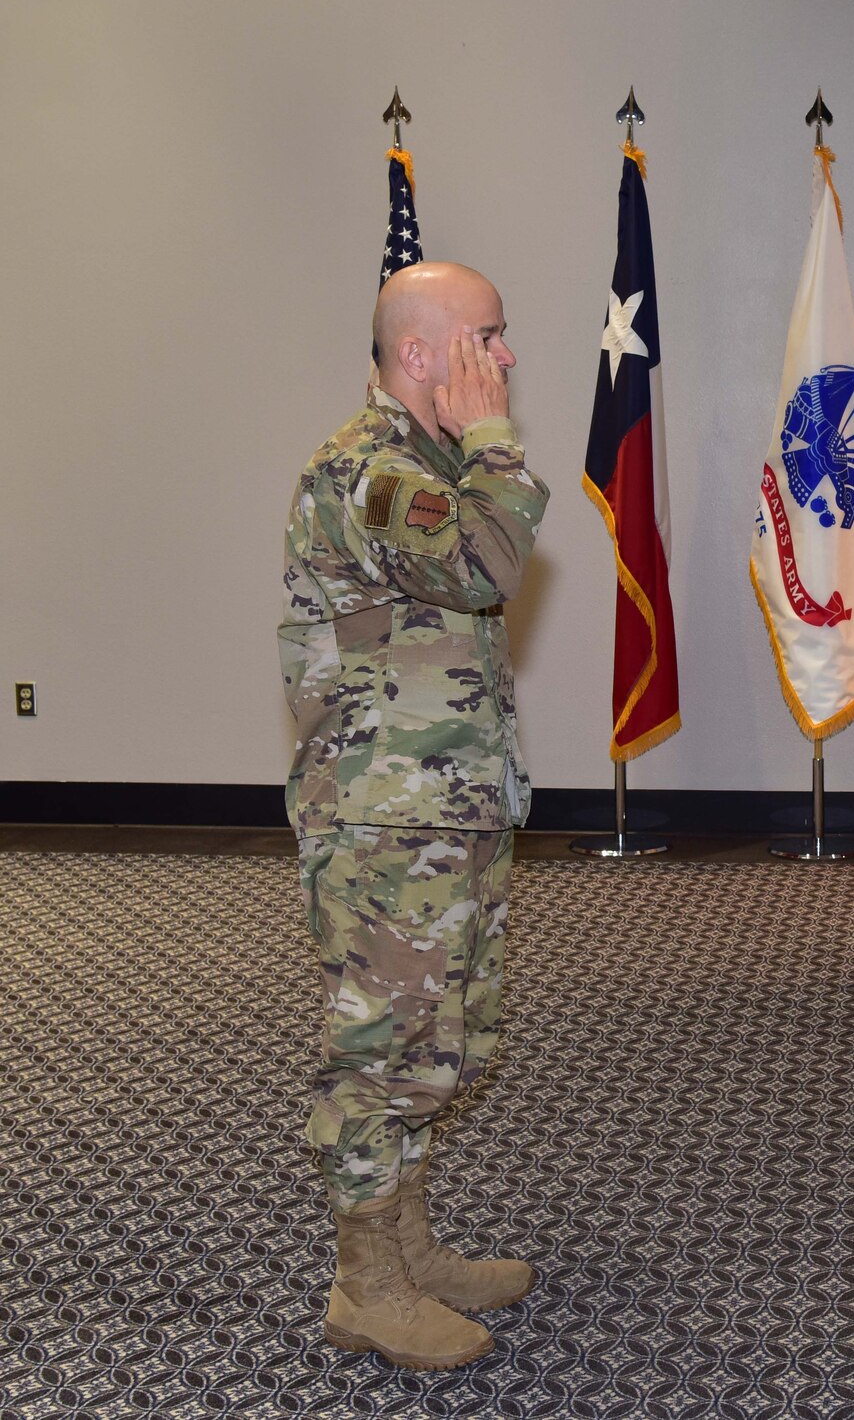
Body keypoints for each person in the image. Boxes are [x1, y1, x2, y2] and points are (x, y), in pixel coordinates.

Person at [279, 262, 549, 1370]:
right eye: (488, 336)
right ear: (425, 353)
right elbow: (486, 563)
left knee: (448, 1043)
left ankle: (410, 1243)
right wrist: (497, 444)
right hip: (385, 823)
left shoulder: (429, 465)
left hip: (445, 810)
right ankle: (365, 1287)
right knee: (383, 1054)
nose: (506, 358)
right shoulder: (368, 469)